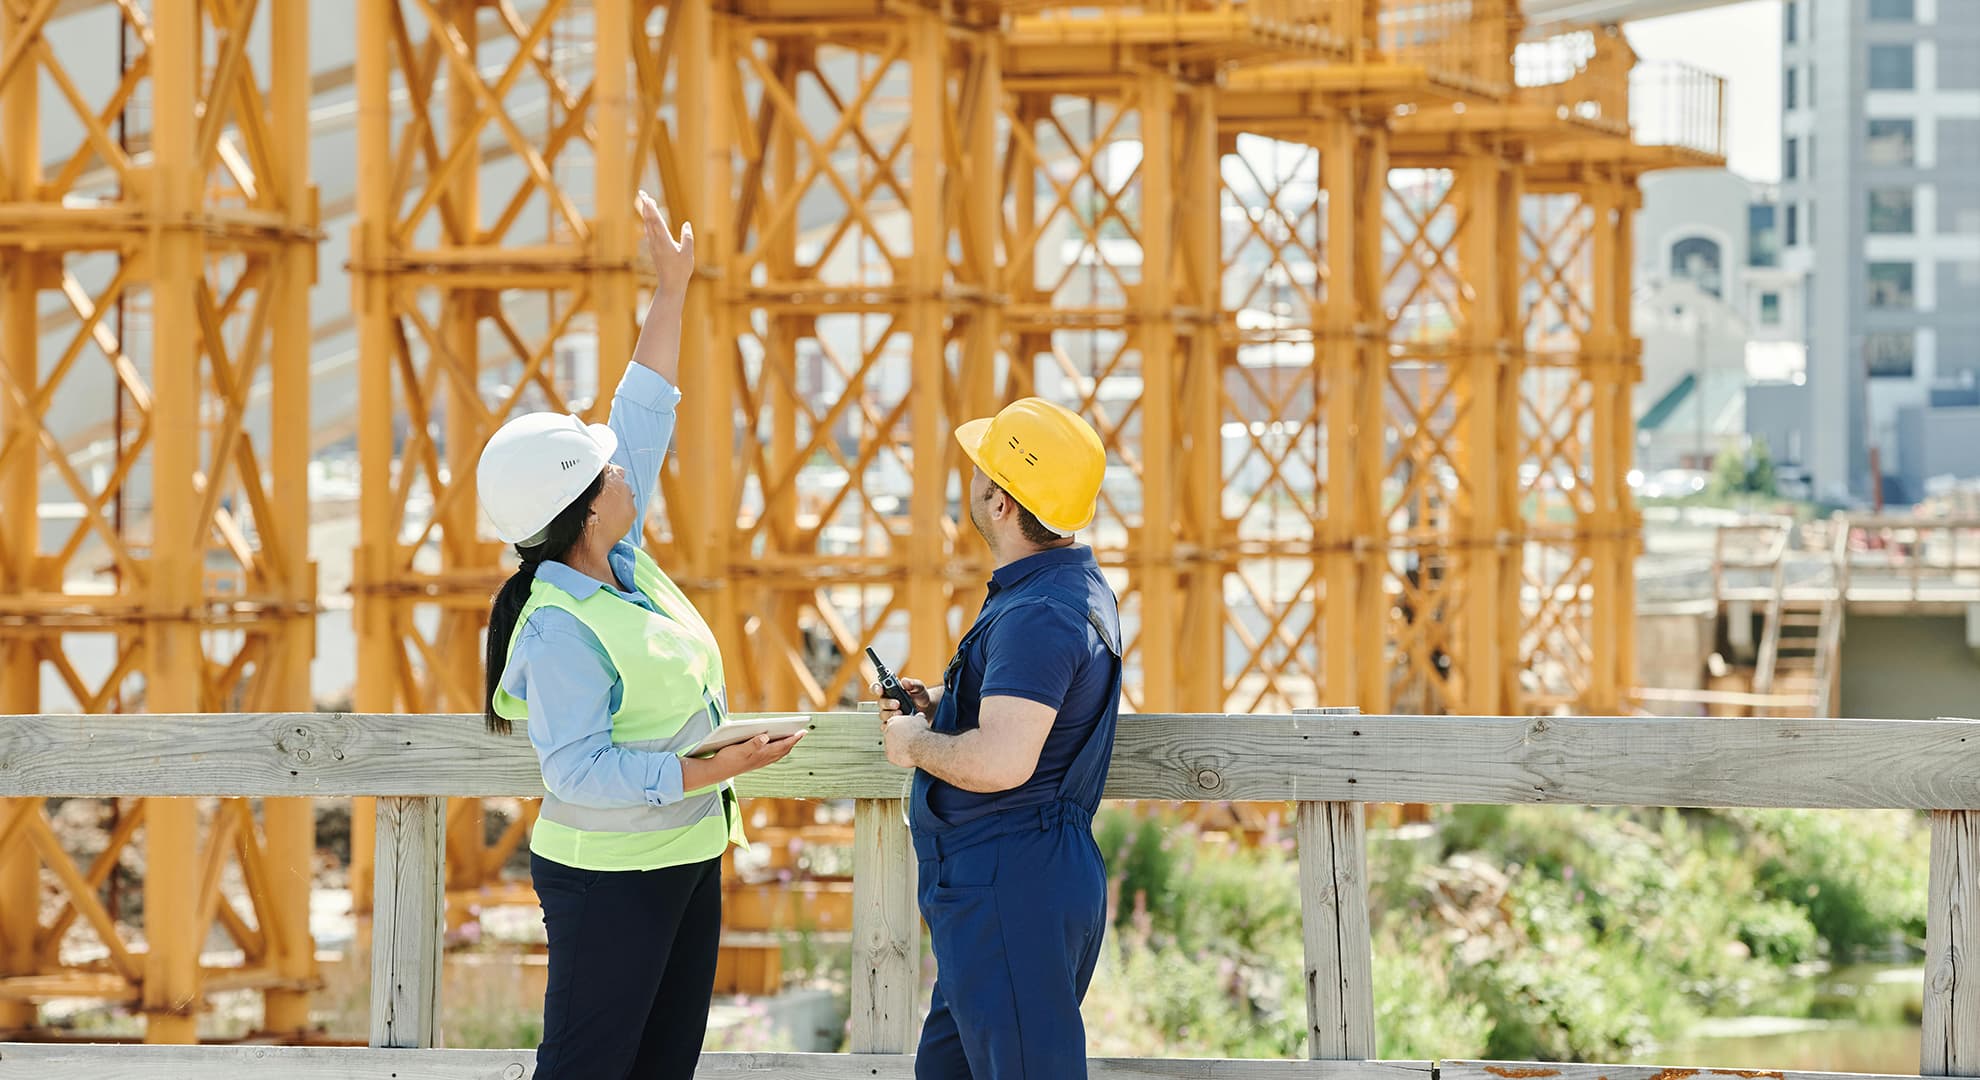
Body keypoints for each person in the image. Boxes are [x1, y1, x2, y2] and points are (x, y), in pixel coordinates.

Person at [478, 191, 803, 1079]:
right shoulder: (558, 629)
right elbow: (574, 770)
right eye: (604, 466)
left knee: (663, 1069)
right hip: (610, 877)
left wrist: (673, 287)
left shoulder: (620, 559)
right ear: (584, 509)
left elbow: (644, 412)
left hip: (688, 853)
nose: (623, 463)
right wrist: (710, 769)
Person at [872, 398, 1122, 1080]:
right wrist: (947, 707)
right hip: (1010, 880)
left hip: (1008, 881)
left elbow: (1004, 760)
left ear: (1002, 502)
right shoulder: (1064, 589)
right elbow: (1031, 715)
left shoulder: (1039, 613)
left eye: (982, 470)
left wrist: (915, 743)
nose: (971, 482)